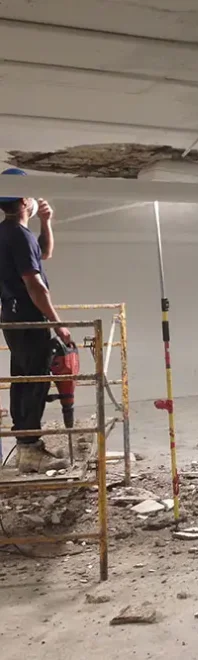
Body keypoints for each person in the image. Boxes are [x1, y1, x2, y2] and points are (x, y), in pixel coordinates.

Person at [0, 167, 71, 474]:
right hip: (30, 318)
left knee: (24, 379)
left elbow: (44, 253)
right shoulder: (18, 235)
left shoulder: (8, 233)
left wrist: (46, 222)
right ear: (25, 200)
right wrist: (57, 323)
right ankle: (30, 449)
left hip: (12, 318)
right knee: (36, 381)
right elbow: (35, 285)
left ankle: (25, 445)